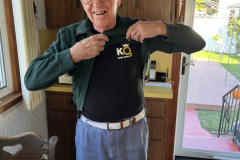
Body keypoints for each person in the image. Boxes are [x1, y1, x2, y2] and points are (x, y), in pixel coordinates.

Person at [24, 0, 205, 159]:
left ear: (118, 1)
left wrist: (160, 27)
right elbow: (32, 80)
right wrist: (73, 54)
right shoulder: (70, 36)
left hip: (133, 134)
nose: (97, 4)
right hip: (89, 136)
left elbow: (197, 43)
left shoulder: (139, 31)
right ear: (81, 2)